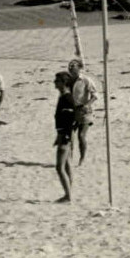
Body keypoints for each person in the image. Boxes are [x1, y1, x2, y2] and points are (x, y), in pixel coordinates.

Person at [68, 58, 98, 165]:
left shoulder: (86, 80)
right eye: (70, 68)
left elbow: (95, 95)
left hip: (84, 111)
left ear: (79, 69)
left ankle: (82, 158)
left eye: (73, 67)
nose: (71, 69)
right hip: (72, 111)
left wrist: (87, 104)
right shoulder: (68, 81)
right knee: (69, 136)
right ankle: (69, 159)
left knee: (81, 136)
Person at [53, 71, 76, 203]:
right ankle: (69, 192)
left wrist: (65, 136)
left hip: (65, 135)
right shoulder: (63, 97)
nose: (55, 83)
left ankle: (68, 196)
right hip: (63, 134)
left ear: (64, 83)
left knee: (59, 167)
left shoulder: (67, 98)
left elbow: (71, 119)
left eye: (57, 81)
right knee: (66, 164)